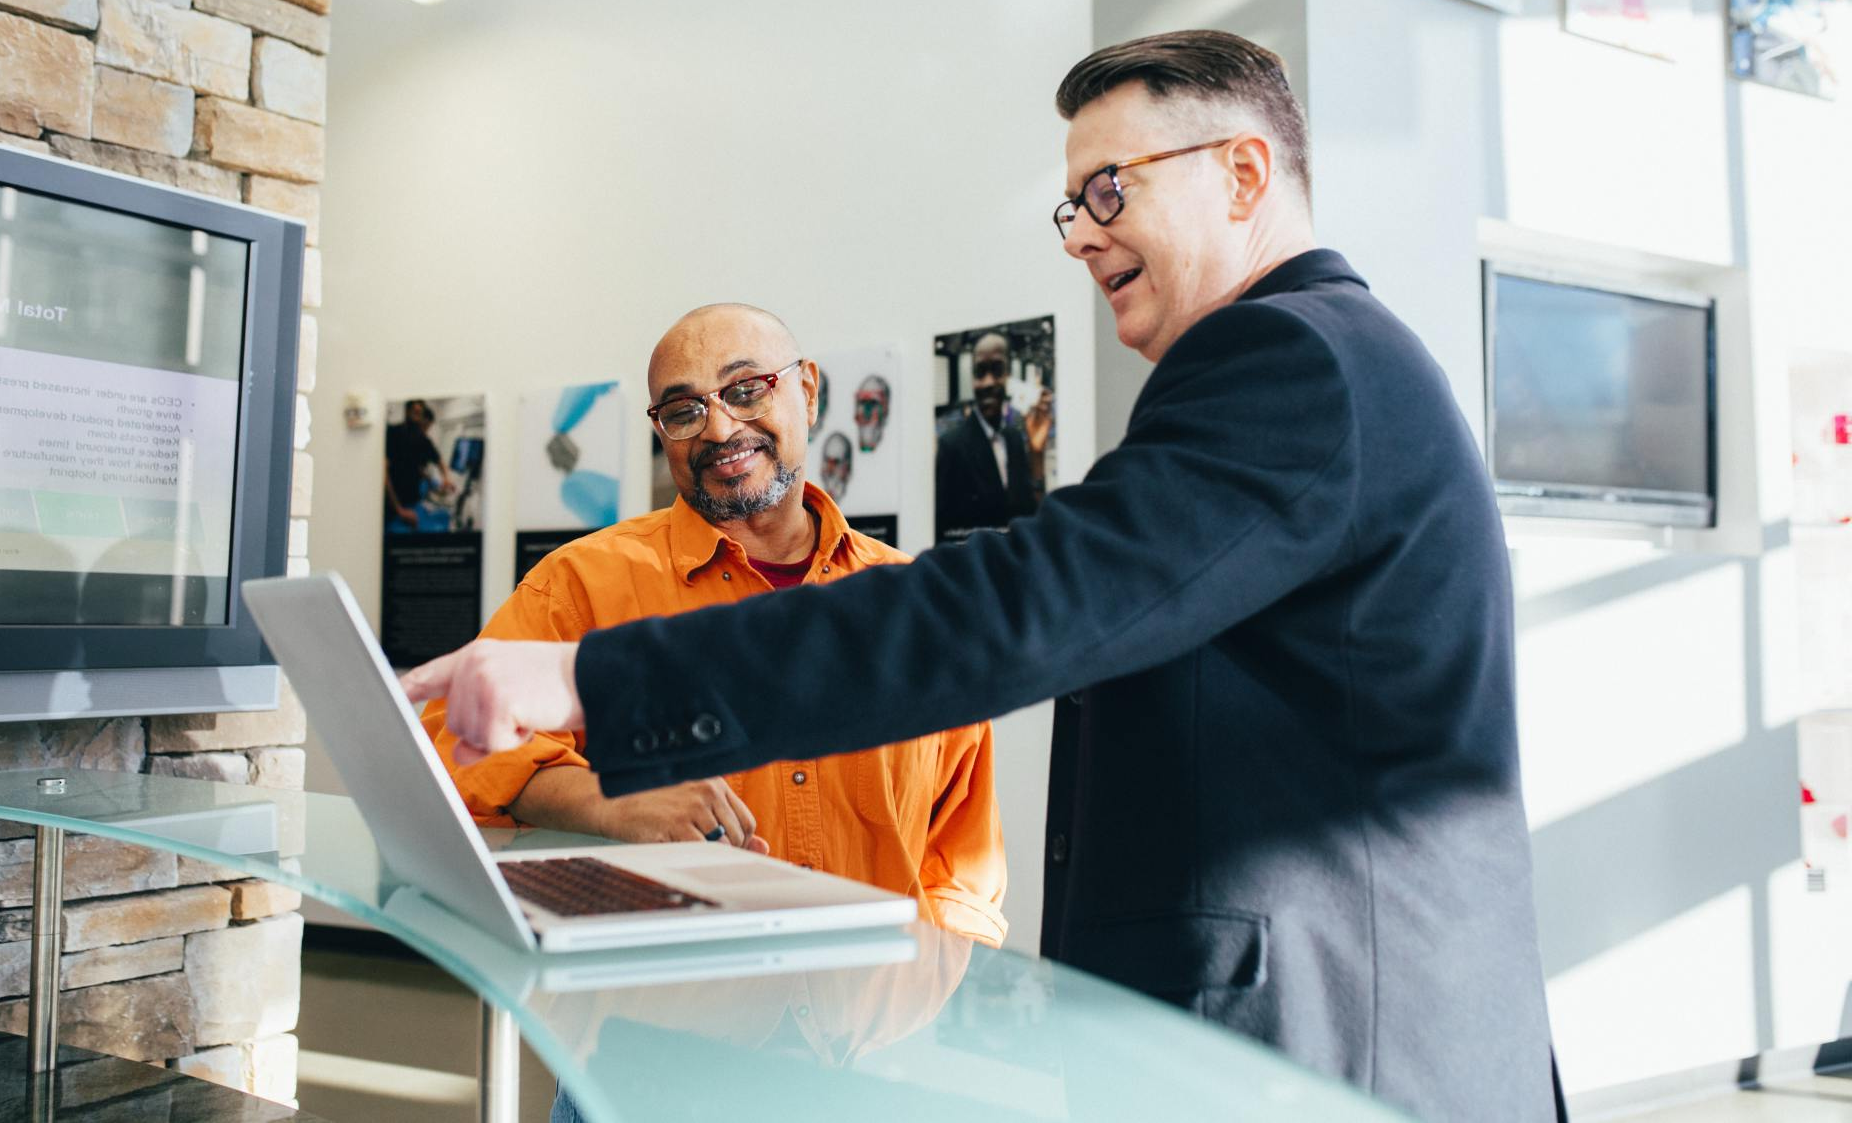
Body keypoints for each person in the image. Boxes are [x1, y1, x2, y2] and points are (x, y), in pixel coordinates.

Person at [405, 31, 1559, 1122]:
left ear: (1244, 174)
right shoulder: (1328, 362)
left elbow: (1022, 608)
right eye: (1072, 204)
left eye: (1110, 189)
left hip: (1329, 1049)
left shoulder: (1291, 358)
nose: (1079, 235)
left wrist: (594, 681)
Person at [418, 302, 1007, 948]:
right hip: (669, 997)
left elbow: (962, 865)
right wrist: (611, 800)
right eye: (683, 410)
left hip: (876, 1001)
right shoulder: (580, 584)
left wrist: (933, 987)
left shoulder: (912, 606)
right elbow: (455, 744)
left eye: (746, 389)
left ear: (808, 392)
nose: (720, 428)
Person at [934, 332, 1052, 541]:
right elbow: (944, 533)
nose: (988, 382)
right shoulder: (952, 446)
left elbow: (1030, 517)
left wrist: (1036, 454)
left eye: (997, 370)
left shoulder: (1015, 439)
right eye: (980, 372)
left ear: (1009, 375)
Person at [382, 398, 450, 532]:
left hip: (412, 503)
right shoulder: (393, 433)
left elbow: (438, 460)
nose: (425, 429)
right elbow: (383, 473)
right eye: (415, 413)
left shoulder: (423, 441)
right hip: (393, 506)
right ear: (407, 412)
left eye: (420, 413)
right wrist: (399, 510)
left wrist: (446, 478)